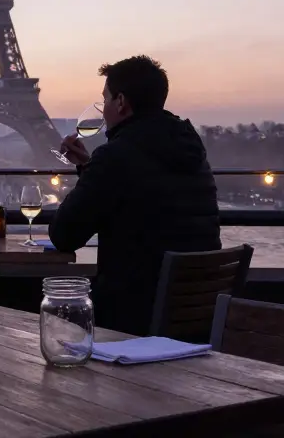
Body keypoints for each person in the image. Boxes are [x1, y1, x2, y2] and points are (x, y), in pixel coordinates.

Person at [48, 55, 220, 336]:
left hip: (130, 322)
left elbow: (64, 235)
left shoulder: (115, 157)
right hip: (197, 321)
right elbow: (142, 193)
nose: (103, 110)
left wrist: (95, 169)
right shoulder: (192, 150)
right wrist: (89, 168)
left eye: (105, 100)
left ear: (120, 102)